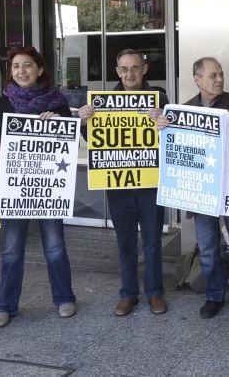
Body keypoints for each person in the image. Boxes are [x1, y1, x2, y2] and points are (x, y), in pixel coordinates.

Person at [156, 57, 229, 319]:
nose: (219, 79)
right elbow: (172, 149)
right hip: (201, 192)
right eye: (212, 75)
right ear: (197, 79)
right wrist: (162, 128)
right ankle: (214, 296)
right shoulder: (182, 111)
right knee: (207, 248)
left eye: (220, 74)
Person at [0, 46, 76, 327]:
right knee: (12, 249)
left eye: (27, 65)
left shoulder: (58, 102)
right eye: (15, 67)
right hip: (16, 186)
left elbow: (71, 141)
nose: (21, 71)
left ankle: (64, 298)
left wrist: (61, 123)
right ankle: (5, 305)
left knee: (55, 246)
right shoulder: (2, 104)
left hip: (48, 188)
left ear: (39, 69)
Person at [78, 49, 168, 317]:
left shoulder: (159, 98)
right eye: (124, 69)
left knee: (152, 241)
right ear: (117, 72)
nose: (130, 73)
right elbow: (91, 138)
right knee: (125, 241)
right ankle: (128, 294)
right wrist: (84, 121)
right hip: (118, 184)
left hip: (150, 181)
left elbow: (170, 132)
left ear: (145, 69)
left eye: (135, 68)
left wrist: (164, 119)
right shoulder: (102, 102)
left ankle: (154, 293)